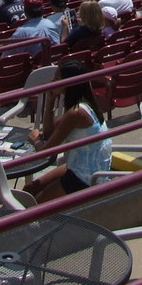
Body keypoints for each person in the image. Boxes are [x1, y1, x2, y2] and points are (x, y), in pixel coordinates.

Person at [27, 63, 112, 201]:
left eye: (57, 78)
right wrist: (50, 100)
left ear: (69, 82)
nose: (52, 82)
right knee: (29, 189)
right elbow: (49, 134)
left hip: (85, 178)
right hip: (79, 167)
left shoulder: (76, 113)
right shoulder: (83, 105)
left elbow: (46, 152)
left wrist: (35, 139)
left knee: (37, 201)